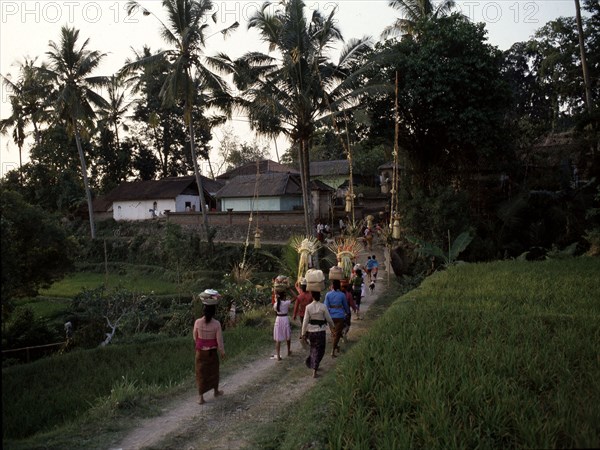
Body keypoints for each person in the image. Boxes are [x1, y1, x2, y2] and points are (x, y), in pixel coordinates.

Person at [193, 289, 225, 405]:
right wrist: (222, 352)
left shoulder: (197, 322)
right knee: (214, 372)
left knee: (201, 373)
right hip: (212, 353)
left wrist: (201, 345)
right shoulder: (216, 324)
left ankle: (201, 397)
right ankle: (216, 391)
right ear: (214, 311)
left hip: (200, 353)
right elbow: (219, 341)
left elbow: (195, 337)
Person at [301, 290, 335, 378]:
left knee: (313, 349)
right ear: (320, 297)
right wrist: (333, 327)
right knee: (321, 350)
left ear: (312, 296)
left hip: (311, 332)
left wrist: (303, 333)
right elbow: (329, 319)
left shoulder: (308, 307)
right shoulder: (323, 307)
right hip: (320, 332)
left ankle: (311, 361)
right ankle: (314, 370)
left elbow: (305, 321)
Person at [324, 279, 350, 358]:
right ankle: (332, 351)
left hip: (331, 317)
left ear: (332, 286)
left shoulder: (328, 294)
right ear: (339, 286)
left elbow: (326, 306)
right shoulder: (342, 295)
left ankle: (336, 347)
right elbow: (346, 306)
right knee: (337, 334)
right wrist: (348, 313)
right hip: (340, 316)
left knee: (334, 334)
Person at [273, 289, 294, 360]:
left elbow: (275, 311)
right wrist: (290, 290)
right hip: (285, 319)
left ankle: (278, 356)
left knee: (278, 339)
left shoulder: (276, 304)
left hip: (278, 319)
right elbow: (296, 297)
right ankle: (288, 351)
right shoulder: (286, 303)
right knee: (288, 336)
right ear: (284, 296)